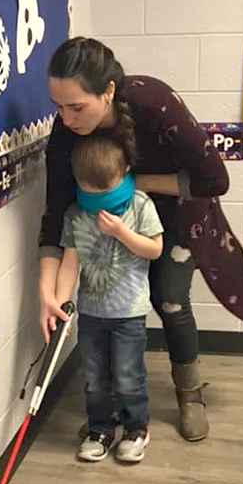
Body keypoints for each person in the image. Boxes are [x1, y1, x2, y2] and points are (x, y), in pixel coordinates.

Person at [38, 37, 243, 443]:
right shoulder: (66, 131)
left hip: (176, 213)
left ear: (107, 91)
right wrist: (46, 292)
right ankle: (112, 407)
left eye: (76, 107)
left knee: (169, 298)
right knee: (113, 309)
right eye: (58, 106)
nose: (66, 118)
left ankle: (189, 392)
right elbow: (56, 212)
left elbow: (216, 179)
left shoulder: (153, 103)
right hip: (106, 221)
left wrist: (135, 184)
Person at [54, 132, 163, 462]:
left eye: (105, 191)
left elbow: (155, 249)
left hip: (129, 312)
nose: (96, 200)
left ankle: (136, 428)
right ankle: (100, 428)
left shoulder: (140, 205)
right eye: (89, 192)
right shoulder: (75, 215)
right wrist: (61, 302)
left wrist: (120, 232)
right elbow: (70, 261)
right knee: (94, 378)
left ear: (124, 174)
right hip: (91, 312)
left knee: (129, 377)